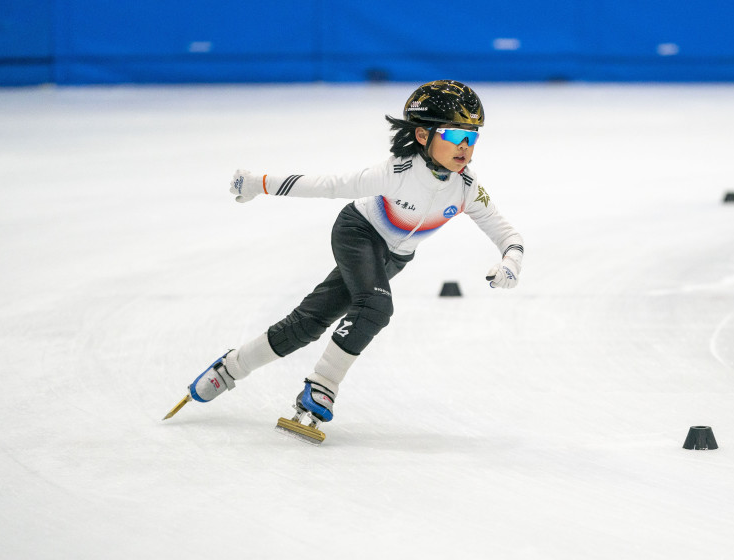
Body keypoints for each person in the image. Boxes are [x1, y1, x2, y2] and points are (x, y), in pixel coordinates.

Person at [180, 80, 524, 427]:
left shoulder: (465, 189)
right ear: (423, 136)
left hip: (394, 258)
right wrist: (258, 183)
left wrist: (512, 261)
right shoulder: (396, 173)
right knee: (375, 305)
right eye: (454, 136)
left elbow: (506, 233)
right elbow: (327, 185)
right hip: (358, 233)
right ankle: (322, 385)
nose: (465, 147)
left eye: (472, 137)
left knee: (308, 323)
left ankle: (229, 368)